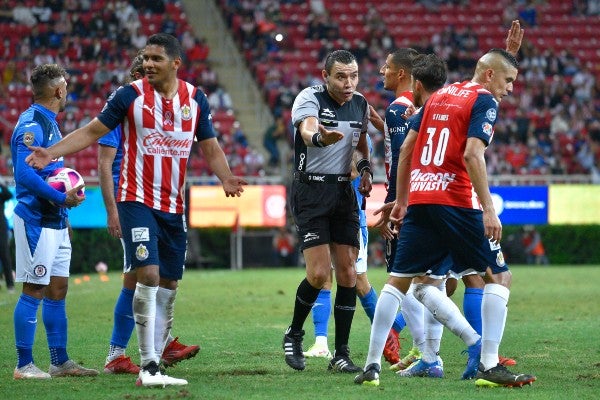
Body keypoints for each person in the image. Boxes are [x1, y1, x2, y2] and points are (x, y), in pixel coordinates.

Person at [26, 34, 247, 388]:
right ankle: (148, 367)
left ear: (175, 63)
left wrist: (225, 177)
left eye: (156, 58)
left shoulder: (196, 99)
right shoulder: (129, 95)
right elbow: (94, 130)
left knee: (169, 283)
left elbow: (209, 145)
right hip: (135, 199)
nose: (148, 64)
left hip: (173, 206)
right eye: (145, 58)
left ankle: (157, 355)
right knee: (146, 276)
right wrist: (51, 152)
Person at [357, 39, 536, 392]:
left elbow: (407, 148)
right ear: (489, 75)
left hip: (421, 199)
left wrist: (403, 201)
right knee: (498, 278)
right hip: (455, 200)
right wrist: (488, 208)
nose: (511, 89)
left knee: (400, 281)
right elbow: (472, 155)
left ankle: (371, 366)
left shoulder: (442, 94)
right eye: (508, 81)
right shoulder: (484, 100)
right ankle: (488, 363)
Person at [99, 53, 200, 375]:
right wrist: (113, 210)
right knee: (137, 278)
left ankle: (163, 341)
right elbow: (104, 163)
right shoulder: (123, 109)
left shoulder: (164, 109)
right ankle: (117, 354)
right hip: (132, 202)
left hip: (159, 203)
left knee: (156, 278)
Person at [282, 49, 372, 373]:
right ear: (325, 76)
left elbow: (360, 144)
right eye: (341, 76)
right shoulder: (310, 99)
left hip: (342, 192)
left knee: (348, 271)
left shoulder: (360, 104)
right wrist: (320, 137)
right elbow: (306, 130)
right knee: (320, 274)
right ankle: (293, 332)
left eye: (354, 76)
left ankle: (342, 353)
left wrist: (365, 170)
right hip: (311, 190)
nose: (348, 83)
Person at [10, 63, 98, 379]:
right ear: (59, 90)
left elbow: (49, 171)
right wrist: (61, 198)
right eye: (67, 87)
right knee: (34, 288)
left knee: (57, 289)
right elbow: (23, 173)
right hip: (36, 219)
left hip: (56, 221)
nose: (68, 92)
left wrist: (63, 213)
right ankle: (23, 365)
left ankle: (59, 362)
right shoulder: (33, 123)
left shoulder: (50, 122)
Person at [0, 178, 15, 293]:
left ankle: (10, 285)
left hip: (1, 227)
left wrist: (1, 183)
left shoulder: (1, 196)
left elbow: (9, 194)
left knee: (5, 254)